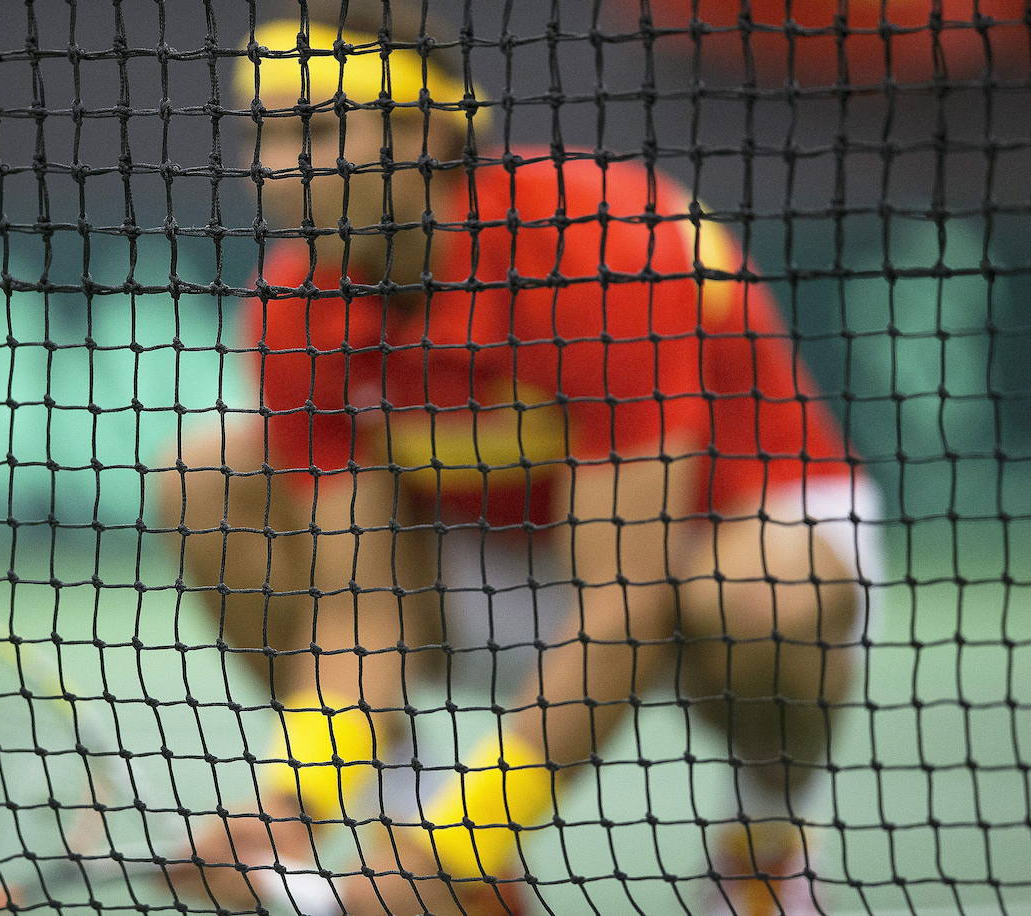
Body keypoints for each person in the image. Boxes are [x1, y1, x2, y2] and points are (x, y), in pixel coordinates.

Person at [155, 6, 880, 914]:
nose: (272, 170)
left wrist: (473, 832)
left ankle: (763, 840)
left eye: (316, 129)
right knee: (206, 479)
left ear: (424, 131)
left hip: (724, 536)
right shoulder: (296, 310)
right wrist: (288, 805)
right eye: (261, 135)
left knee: (765, 595)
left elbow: (626, 603)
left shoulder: (598, 252)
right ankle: (407, 819)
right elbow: (360, 610)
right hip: (496, 556)